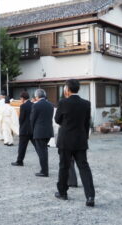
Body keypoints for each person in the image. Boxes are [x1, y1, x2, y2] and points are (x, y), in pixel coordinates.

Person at [54, 79, 95, 207]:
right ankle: (90, 196)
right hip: (80, 140)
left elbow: (57, 119)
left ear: (67, 89)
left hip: (65, 140)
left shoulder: (63, 102)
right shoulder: (86, 103)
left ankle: (63, 193)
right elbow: (86, 123)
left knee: (64, 166)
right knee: (84, 168)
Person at [30, 89, 54, 177]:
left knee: (41, 152)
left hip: (39, 131)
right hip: (48, 131)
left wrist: (33, 130)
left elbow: (32, 119)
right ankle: (45, 169)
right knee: (44, 151)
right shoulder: (51, 105)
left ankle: (44, 171)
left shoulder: (36, 105)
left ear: (37, 96)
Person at [11, 91, 36, 166]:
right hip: (32, 129)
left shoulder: (23, 106)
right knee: (37, 146)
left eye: (20, 98)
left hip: (24, 129)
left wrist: (21, 126)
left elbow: (21, 119)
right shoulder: (33, 105)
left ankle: (19, 161)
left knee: (22, 146)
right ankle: (43, 159)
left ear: (22, 98)